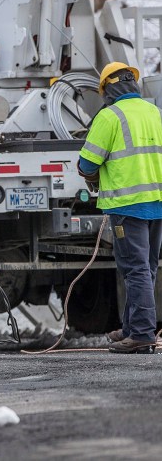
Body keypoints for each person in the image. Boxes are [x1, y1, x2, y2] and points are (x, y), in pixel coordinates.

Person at [78, 62, 162, 354]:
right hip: (157, 203)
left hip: (128, 205)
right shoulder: (154, 112)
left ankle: (141, 334)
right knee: (146, 267)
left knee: (134, 269)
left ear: (108, 90)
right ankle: (131, 328)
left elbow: (87, 164)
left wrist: (92, 172)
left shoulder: (109, 116)